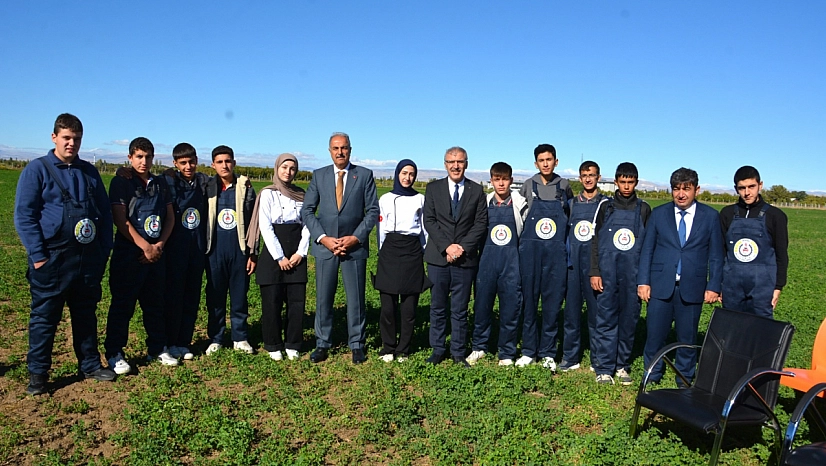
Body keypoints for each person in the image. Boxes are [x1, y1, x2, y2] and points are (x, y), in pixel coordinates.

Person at [14, 113, 116, 395]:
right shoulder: (37, 170)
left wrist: (104, 250)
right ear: (54, 137)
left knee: (85, 313)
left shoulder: (89, 172)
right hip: (52, 258)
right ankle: (38, 375)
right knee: (45, 317)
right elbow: (25, 216)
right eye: (67, 138)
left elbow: (105, 215)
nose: (72, 144)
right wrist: (38, 256)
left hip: (87, 258)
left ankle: (90, 364)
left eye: (77, 139)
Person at [638, 168, 724, 386]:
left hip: (692, 286)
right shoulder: (659, 214)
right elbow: (647, 250)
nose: (681, 194)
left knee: (687, 337)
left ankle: (684, 378)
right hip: (660, 285)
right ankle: (652, 374)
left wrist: (713, 285)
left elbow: (716, 255)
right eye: (676, 189)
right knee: (655, 335)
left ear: (697, 189)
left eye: (686, 189)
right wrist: (643, 281)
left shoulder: (710, 216)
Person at [301, 132, 379, 364]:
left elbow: (372, 211)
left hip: (353, 249)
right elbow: (307, 211)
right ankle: (322, 343)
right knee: (323, 298)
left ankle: (356, 344)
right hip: (326, 248)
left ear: (350, 149)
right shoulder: (319, 176)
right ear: (329, 150)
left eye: (344, 148)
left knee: (356, 299)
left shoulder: (363, 175)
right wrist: (323, 238)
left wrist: (355, 238)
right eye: (336, 148)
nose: (340, 152)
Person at [104, 137, 178, 375]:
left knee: (155, 304)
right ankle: (115, 352)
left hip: (157, 254)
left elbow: (170, 217)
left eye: (148, 157)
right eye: (139, 157)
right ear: (130, 158)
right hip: (129, 254)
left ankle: (157, 348)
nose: (144, 161)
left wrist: (158, 246)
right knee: (122, 306)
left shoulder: (160, 183)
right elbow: (120, 218)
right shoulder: (121, 182)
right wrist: (144, 246)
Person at [423, 146, 488, 367]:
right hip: (438, 258)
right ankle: (438, 349)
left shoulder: (476, 190)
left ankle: (458, 352)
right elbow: (429, 220)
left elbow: (480, 224)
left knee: (460, 309)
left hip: (465, 259)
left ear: (466, 164)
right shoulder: (433, 189)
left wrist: (461, 247)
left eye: (460, 161)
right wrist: (447, 247)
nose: (455, 166)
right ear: (445, 164)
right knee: (438, 307)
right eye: (451, 162)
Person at [589, 162, 651, 385]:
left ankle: (622, 365)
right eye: (622, 182)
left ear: (636, 182)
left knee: (628, 320)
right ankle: (604, 368)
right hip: (607, 273)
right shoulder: (605, 207)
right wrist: (595, 271)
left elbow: (648, 247)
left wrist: (644, 279)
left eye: (630, 182)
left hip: (632, 275)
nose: (626, 186)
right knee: (605, 318)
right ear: (615, 182)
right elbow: (595, 241)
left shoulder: (643, 209)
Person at [517, 144, 574, 369]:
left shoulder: (564, 186)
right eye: (542, 160)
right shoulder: (527, 186)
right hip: (530, 254)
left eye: (549, 159)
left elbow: (568, 218)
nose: (546, 163)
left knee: (551, 303)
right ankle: (529, 351)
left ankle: (548, 352)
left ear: (556, 161)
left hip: (555, 254)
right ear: (536, 163)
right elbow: (521, 218)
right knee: (529, 302)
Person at [248, 153, 310, 361]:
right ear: (277, 168)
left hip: (296, 252)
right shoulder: (267, 193)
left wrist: (300, 252)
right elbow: (265, 226)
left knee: (296, 302)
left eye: (292, 169)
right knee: (272, 301)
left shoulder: (302, 194)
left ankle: (293, 343)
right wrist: (280, 257)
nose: (288, 172)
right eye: (284, 167)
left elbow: (308, 225)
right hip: (274, 253)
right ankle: (273, 344)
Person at [467, 162, 527, 366]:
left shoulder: (521, 204)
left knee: (510, 309)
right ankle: (479, 347)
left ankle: (507, 353)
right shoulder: (483, 203)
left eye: (505, 179)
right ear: (491, 180)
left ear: (511, 180)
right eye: (497, 179)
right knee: (482, 306)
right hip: (486, 262)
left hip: (511, 264)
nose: (501, 183)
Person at [373, 159, 431, 362]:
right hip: (389, 250)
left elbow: (424, 229)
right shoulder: (386, 199)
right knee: (387, 306)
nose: (407, 177)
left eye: (411, 174)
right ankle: (388, 347)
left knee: (408, 307)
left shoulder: (420, 199)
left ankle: (403, 349)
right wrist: (383, 251)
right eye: (404, 173)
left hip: (412, 251)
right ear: (397, 174)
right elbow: (380, 229)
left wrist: (422, 251)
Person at [204, 145, 258, 355]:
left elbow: (254, 222)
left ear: (234, 163)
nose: (224, 165)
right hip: (214, 251)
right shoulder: (207, 186)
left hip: (239, 250)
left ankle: (240, 337)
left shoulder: (245, 187)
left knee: (239, 296)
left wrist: (253, 252)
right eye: (219, 162)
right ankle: (216, 338)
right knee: (215, 296)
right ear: (213, 165)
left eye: (228, 161)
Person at [719, 166, 789, 318]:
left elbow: (781, 254)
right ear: (736, 189)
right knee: (731, 327)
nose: (747, 192)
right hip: (732, 284)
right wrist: (719, 284)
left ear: (760, 185)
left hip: (762, 286)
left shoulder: (775, 216)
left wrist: (778, 287)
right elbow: (721, 252)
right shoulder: (727, 214)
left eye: (751, 186)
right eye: (742, 188)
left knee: (761, 329)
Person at [162, 143, 208, 361]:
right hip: (175, 250)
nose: (188, 166)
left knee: (192, 296)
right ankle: (170, 341)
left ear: (197, 160)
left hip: (197, 249)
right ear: (175, 163)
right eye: (183, 163)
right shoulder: (168, 181)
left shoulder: (204, 182)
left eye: (191, 161)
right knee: (174, 297)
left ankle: (184, 341)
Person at [559, 161, 605, 372]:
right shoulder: (571, 204)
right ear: (580, 178)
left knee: (596, 316)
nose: (588, 179)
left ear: (598, 177)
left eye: (592, 175)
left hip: (595, 269)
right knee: (571, 314)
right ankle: (571, 357)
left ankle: (597, 359)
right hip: (572, 267)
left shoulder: (605, 204)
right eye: (584, 175)